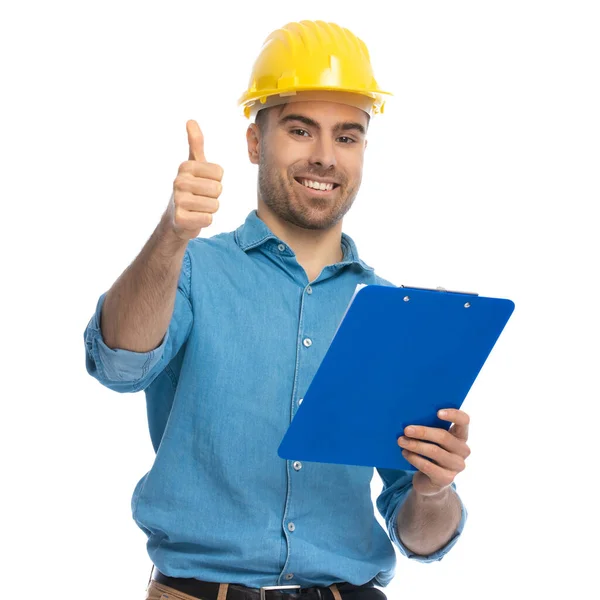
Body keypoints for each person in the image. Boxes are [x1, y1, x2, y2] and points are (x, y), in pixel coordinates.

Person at [84, 19, 470, 600]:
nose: (324, 157)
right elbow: (118, 366)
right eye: (299, 130)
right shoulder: (189, 269)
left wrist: (434, 489)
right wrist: (171, 234)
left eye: (346, 136)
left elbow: (420, 538)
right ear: (255, 141)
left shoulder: (392, 316)